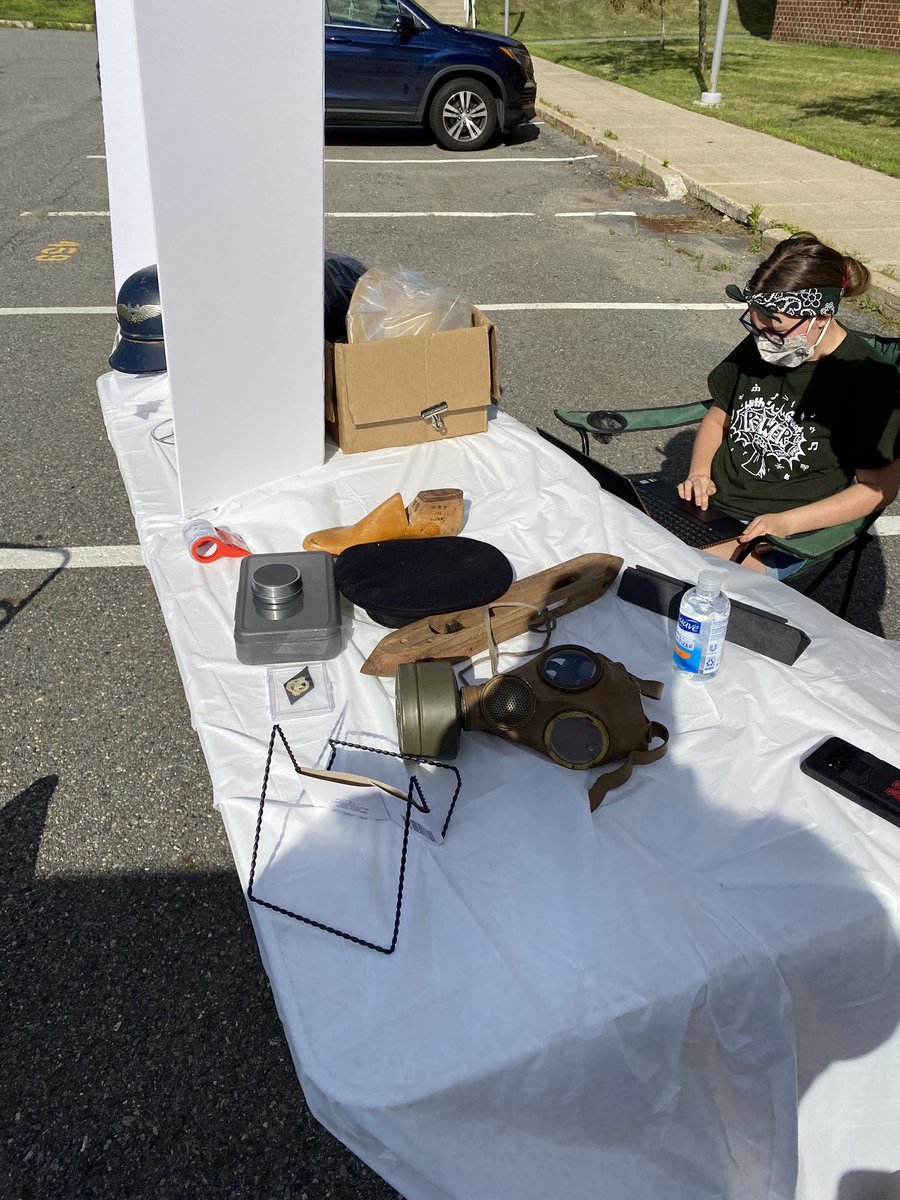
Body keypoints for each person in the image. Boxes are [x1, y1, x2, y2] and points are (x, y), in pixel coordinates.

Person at [678, 233, 900, 578]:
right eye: (755, 325)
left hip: (781, 534)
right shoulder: (762, 344)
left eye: (776, 330)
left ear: (822, 318)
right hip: (707, 510)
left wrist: (785, 522)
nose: (763, 339)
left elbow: (879, 489)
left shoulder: (869, 382)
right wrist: (699, 472)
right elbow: (718, 417)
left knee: (672, 575)